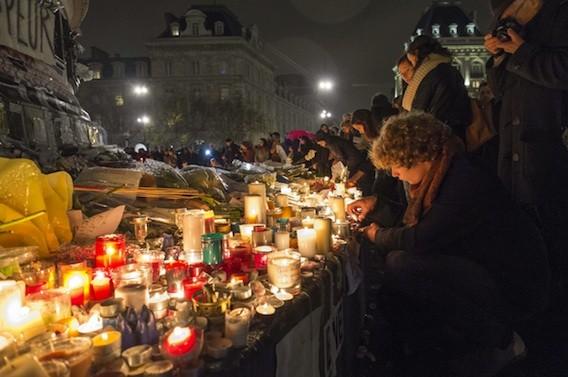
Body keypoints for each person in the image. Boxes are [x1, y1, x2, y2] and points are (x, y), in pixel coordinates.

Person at [350, 112, 549, 375]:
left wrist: (376, 235)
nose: (396, 174)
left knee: (401, 264)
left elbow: (421, 238)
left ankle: (504, 341)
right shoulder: (443, 172)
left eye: (397, 165)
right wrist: (377, 204)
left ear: (418, 155)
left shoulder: (464, 179)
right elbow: (418, 223)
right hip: (481, 264)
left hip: (514, 279)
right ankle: (447, 344)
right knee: (399, 268)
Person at [485, 0, 568, 301]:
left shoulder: (559, 14)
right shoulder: (515, 17)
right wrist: (497, 57)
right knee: (523, 241)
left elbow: (561, 71)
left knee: (551, 242)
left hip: (549, 149)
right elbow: (502, 89)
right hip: (515, 149)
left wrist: (522, 51)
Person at [403, 35, 472, 140]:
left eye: (412, 61)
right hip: (456, 134)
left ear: (417, 54)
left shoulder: (428, 74)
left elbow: (418, 111)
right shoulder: (451, 70)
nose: (413, 66)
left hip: (436, 136)